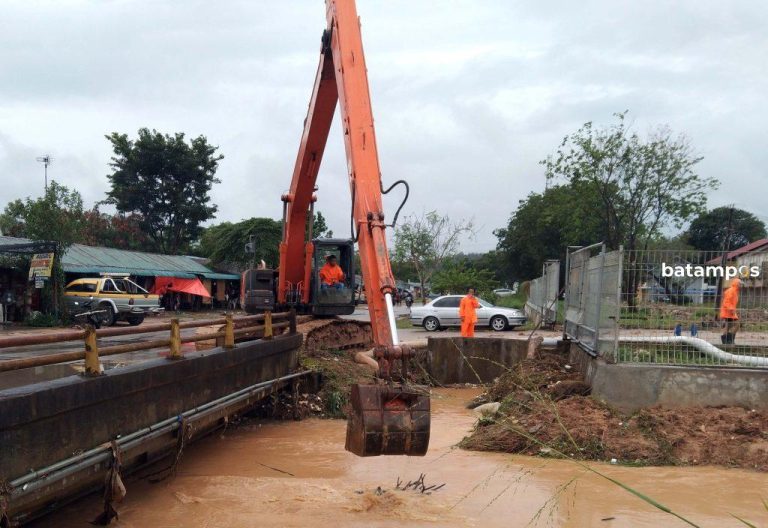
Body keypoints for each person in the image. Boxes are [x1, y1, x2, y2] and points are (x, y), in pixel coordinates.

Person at [720, 277, 741, 344]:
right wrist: (731, 309)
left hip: (730, 312)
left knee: (728, 326)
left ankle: (726, 341)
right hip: (728, 312)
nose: (741, 285)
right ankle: (729, 339)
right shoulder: (731, 291)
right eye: (740, 284)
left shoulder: (734, 291)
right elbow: (726, 302)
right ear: (737, 284)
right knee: (736, 325)